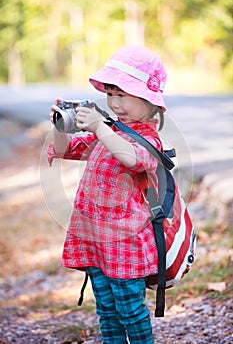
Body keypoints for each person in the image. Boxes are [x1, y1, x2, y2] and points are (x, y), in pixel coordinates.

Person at [47, 45, 168, 344]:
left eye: (123, 95)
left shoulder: (148, 138)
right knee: (107, 310)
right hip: (95, 240)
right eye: (111, 94)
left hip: (125, 244)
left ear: (150, 101)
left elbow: (134, 159)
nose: (115, 103)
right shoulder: (109, 131)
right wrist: (61, 125)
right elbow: (65, 150)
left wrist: (101, 127)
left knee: (129, 310)